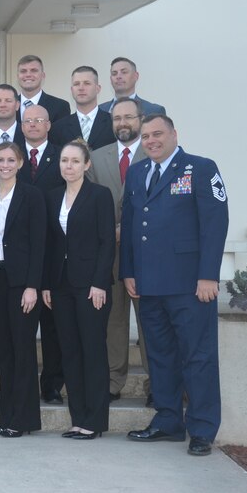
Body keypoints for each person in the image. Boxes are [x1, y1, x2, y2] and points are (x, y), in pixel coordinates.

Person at [121, 114, 228, 457]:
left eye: (157, 134)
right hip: (149, 284)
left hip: (190, 284)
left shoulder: (200, 168)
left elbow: (215, 223)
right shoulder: (137, 172)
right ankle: (168, 420)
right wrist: (128, 270)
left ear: (173, 134)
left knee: (198, 357)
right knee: (161, 356)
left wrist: (208, 275)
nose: (151, 140)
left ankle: (201, 429)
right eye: (146, 136)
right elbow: (131, 224)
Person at [43, 140, 116, 439]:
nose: (68, 166)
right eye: (64, 161)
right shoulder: (52, 196)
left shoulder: (100, 195)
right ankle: (78, 418)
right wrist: (46, 283)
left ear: (87, 165)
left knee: (93, 351)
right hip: (60, 286)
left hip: (90, 286)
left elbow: (106, 242)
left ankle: (94, 421)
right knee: (70, 352)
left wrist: (99, 282)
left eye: (75, 161)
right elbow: (49, 245)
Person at [86, 98, 151, 404]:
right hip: (108, 252)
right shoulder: (97, 158)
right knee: (113, 319)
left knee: (149, 320)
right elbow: (89, 203)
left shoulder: (153, 154)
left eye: (128, 117)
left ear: (141, 119)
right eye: (117, 119)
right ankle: (113, 380)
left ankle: (157, 382)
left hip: (146, 253)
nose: (122, 123)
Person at [0, 142, 46, 437]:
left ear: (20, 163)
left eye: (11, 159)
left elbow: (39, 244)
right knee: (3, 352)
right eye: (0, 159)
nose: (5, 164)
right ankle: (6, 417)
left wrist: (33, 285)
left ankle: (24, 419)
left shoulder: (32, 197)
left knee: (22, 350)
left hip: (21, 283)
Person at [15, 104, 66, 404]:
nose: (33, 124)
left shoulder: (62, 155)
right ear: (21, 126)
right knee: (20, 326)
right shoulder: (11, 156)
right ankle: (22, 384)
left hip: (54, 249)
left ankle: (52, 384)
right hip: (18, 252)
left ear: (49, 125)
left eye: (39, 120)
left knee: (52, 326)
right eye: (28, 120)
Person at [49, 66, 115, 150]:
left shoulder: (113, 123)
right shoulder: (58, 128)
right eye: (76, 84)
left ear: (98, 89)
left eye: (87, 83)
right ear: (72, 90)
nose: (81, 88)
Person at [99, 57, 166, 116]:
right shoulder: (98, 111)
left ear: (136, 76)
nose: (118, 76)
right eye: (114, 73)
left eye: (124, 72)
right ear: (110, 79)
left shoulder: (154, 111)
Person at [16, 54, 70, 123]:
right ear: (18, 76)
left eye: (34, 70)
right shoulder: (9, 106)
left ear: (43, 76)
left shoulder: (60, 106)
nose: (28, 75)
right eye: (23, 71)